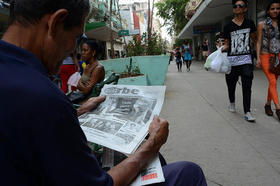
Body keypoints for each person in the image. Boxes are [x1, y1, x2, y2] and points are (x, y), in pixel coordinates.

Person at [0, 0, 207, 185]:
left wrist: (79, 111)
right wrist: (153, 143)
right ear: (56, 23)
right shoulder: (42, 97)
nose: (74, 52)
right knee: (188, 172)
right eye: (75, 39)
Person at [223, 0, 257, 122]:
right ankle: (232, 102)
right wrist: (220, 52)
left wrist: (253, 51)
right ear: (233, 9)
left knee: (247, 86)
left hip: (246, 60)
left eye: (240, 5)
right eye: (235, 6)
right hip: (232, 61)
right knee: (231, 85)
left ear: (245, 9)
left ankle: (247, 111)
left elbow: (254, 38)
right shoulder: (227, 26)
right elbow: (226, 44)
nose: (237, 7)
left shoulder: (250, 23)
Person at [256, 0, 280, 120]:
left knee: (273, 82)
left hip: (279, 57)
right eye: (272, 9)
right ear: (268, 11)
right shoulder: (262, 24)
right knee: (273, 82)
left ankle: (267, 105)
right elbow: (259, 42)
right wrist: (258, 58)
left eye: (277, 8)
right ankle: (278, 108)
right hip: (266, 56)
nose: (275, 11)